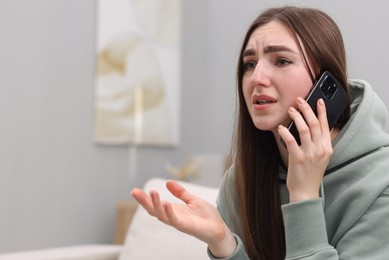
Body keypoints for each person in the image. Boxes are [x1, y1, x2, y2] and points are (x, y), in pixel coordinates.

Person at [131, 6, 389, 259]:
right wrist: (225, 244)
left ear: (325, 81)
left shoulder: (381, 182)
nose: (257, 77)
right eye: (249, 64)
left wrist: (304, 197)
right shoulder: (241, 180)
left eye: (282, 61)